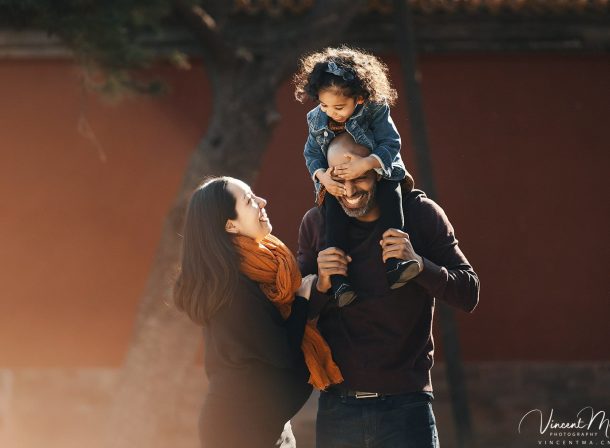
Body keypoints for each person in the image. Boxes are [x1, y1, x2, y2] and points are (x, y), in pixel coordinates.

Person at [297, 133, 480, 448]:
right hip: (338, 406)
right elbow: (292, 312)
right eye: (340, 180)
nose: (350, 191)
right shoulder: (316, 223)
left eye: (360, 178)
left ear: (380, 171)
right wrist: (321, 285)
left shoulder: (420, 214)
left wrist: (420, 265)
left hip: (406, 407)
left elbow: (469, 292)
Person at [173, 176, 342, 448]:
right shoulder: (233, 291)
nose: (263, 202)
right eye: (250, 200)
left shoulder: (253, 271)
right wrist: (300, 300)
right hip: (240, 430)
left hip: (266, 425)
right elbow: (281, 350)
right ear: (231, 225)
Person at [294, 45, 420, 307]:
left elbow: (390, 144)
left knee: (390, 194)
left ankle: (396, 262)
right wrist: (323, 178)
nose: (331, 112)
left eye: (339, 106)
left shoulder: (375, 108)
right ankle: (340, 281)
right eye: (324, 104)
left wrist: (365, 165)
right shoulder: (317, 118)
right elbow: (311, 154)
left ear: (360, 98)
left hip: (378, 171)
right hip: (335, 176)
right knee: (333, 215)